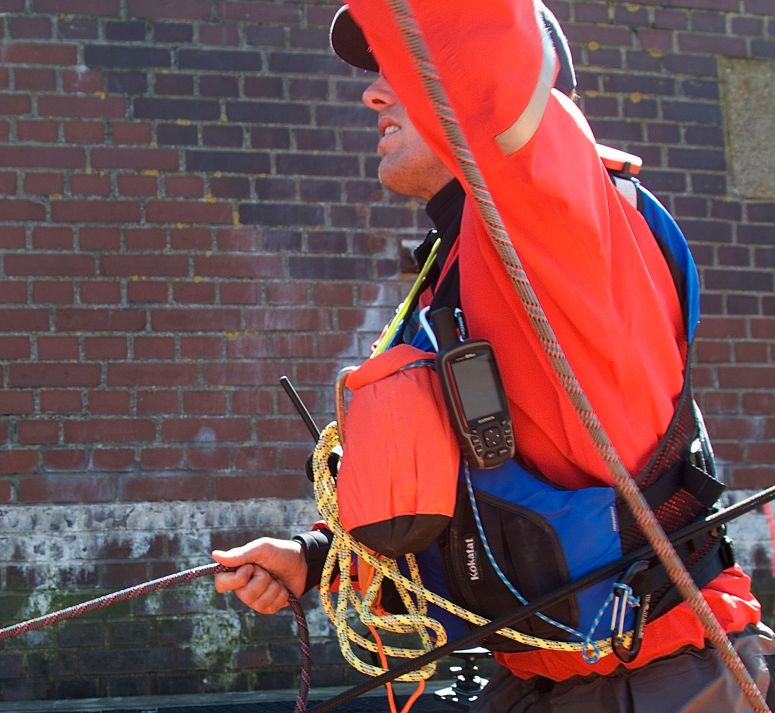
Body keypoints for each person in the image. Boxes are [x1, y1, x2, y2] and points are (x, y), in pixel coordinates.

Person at [214, 2, 775, 710]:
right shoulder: (455, 268)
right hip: (539, 678)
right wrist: (316, 558)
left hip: (661, 676)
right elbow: (466, 485)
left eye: (402, 71)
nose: (373, 93)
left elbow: (489, 63)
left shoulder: (555, 217)